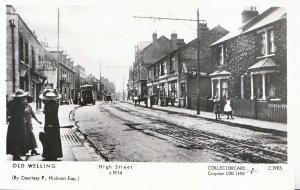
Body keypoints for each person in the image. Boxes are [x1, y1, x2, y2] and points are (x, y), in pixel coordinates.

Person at [39, 89, 63, 161]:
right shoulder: (55, 104)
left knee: (49, 139)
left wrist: (49, 124)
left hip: (50, 124)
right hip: (55, 123)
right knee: (55, 138)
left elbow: (50, 115)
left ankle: (50, 154)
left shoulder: (48, 105)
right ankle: (54, 154)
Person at [6, 89, 28, 161]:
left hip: (12, 122)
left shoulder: (10, 103)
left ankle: (15, 154)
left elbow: (8, 112)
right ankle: (17, 156)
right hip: (20, 122)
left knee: (13, 138)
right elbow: (22, 113)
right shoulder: (22, 104)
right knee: (20, 138)